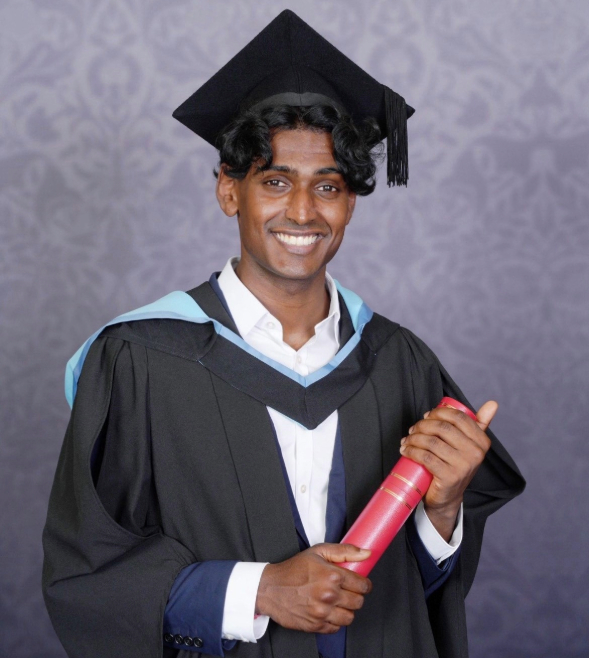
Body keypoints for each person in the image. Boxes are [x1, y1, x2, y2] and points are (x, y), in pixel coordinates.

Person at [42, 10, 525, 658]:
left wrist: (441, 511)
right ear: (228, 191)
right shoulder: (139, 360)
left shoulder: (398, 362)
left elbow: (430, 590)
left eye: (327, 186)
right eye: (275, 181)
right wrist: (259, 591)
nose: (302, 211)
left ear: (349, 202)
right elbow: (87, 576)